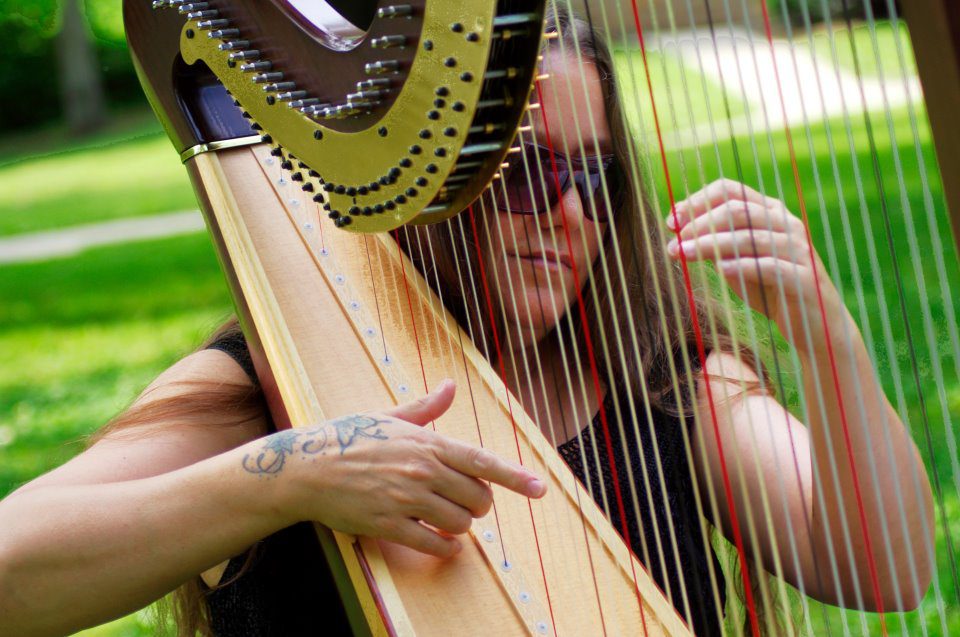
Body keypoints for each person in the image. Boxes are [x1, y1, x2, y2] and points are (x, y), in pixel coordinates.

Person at [0, 8, 934, 637]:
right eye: (527, 172)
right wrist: (288, 480)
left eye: (591, 174)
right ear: (435, 185)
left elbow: (882, 570)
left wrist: (828, 338)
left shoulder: (659, 366)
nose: (563, 211)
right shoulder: (264, 386)